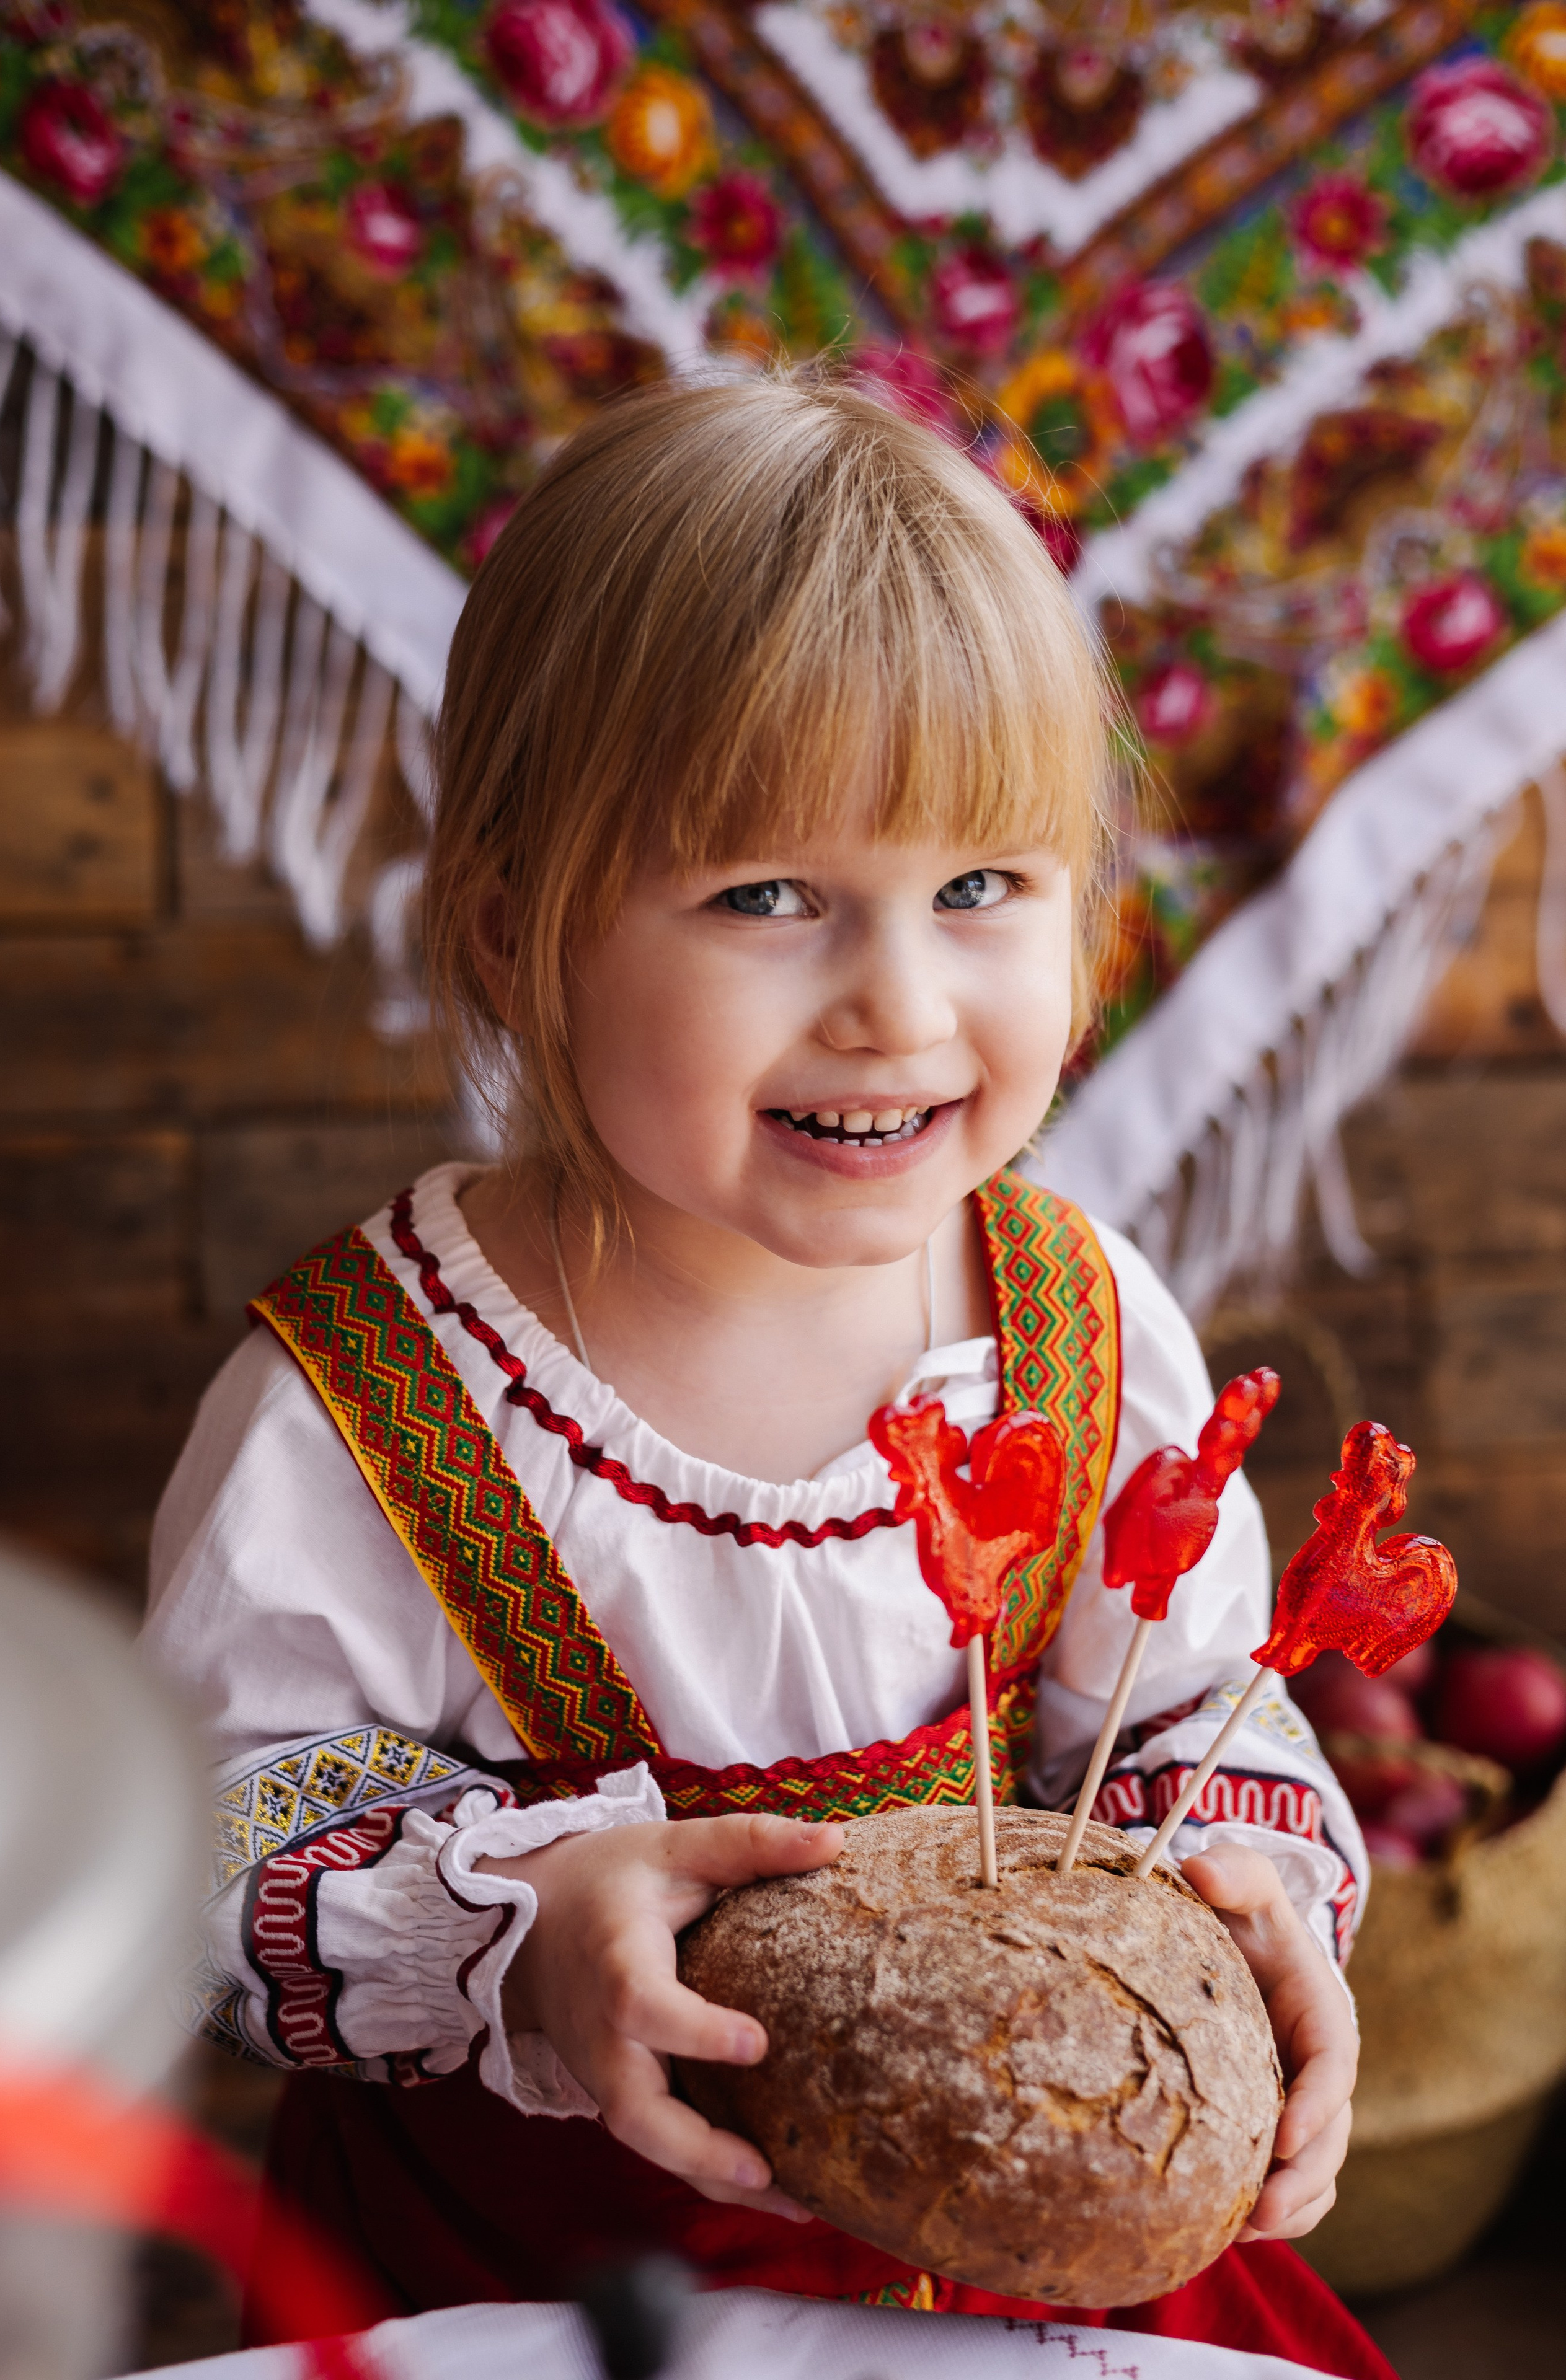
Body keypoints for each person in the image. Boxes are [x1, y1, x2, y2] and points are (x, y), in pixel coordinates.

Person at [145, 378, 1386, 2376]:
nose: (898, 1002)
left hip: (1046, 2273)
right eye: (766, 897)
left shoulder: (1080, 1333)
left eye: (982, 887)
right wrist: (527, 1935)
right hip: (530, 2278)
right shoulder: (374, 1406)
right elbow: (211, 1838)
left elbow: (1192, 1718)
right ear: (514, 933)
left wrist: (1255, 1903)